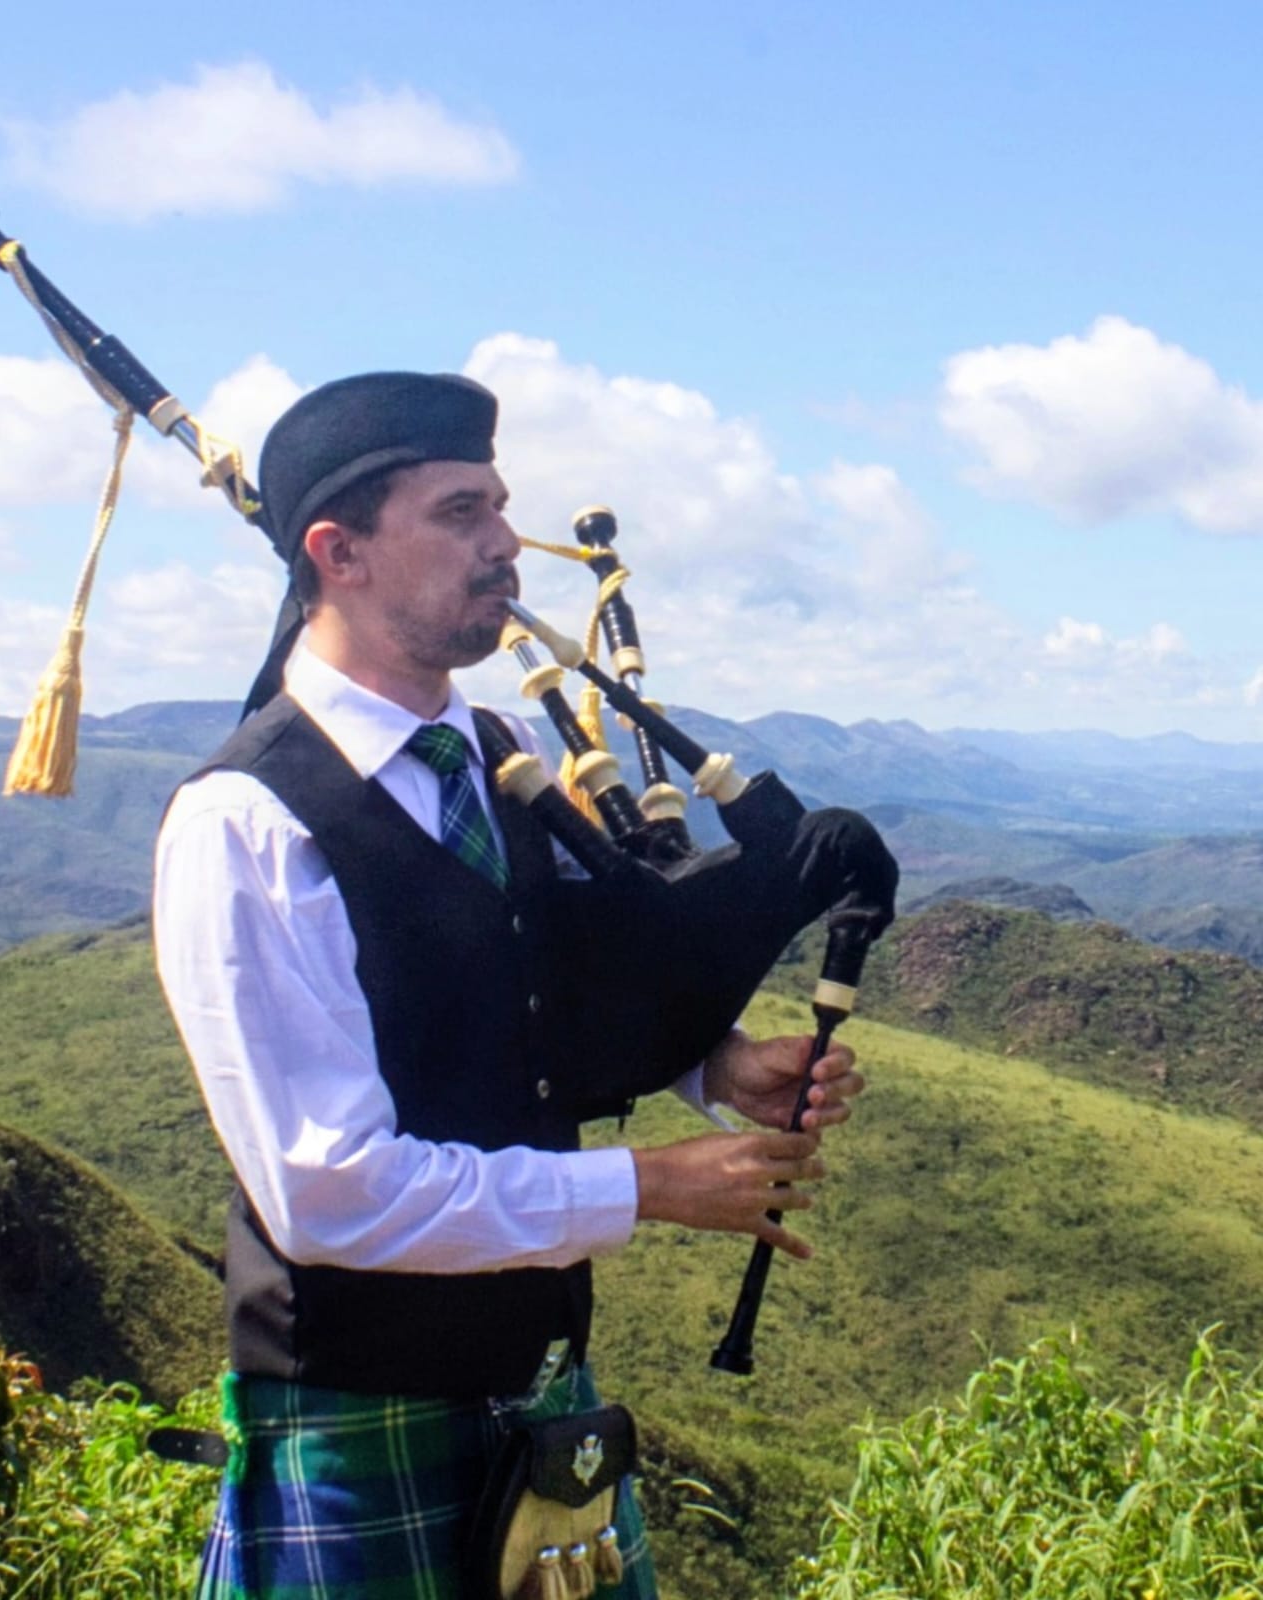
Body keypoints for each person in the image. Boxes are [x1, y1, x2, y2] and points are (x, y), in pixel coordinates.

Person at [153, 372, 875, 1600]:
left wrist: (714, 1065)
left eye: (501, 507)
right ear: (339, 552)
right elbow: (327, 1189)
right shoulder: (247, 820)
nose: (505, 547)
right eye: (461, 513)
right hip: (355, 1423)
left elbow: (552, 999)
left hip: (542, 1405)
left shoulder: (498, 755)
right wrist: (640, 1186)